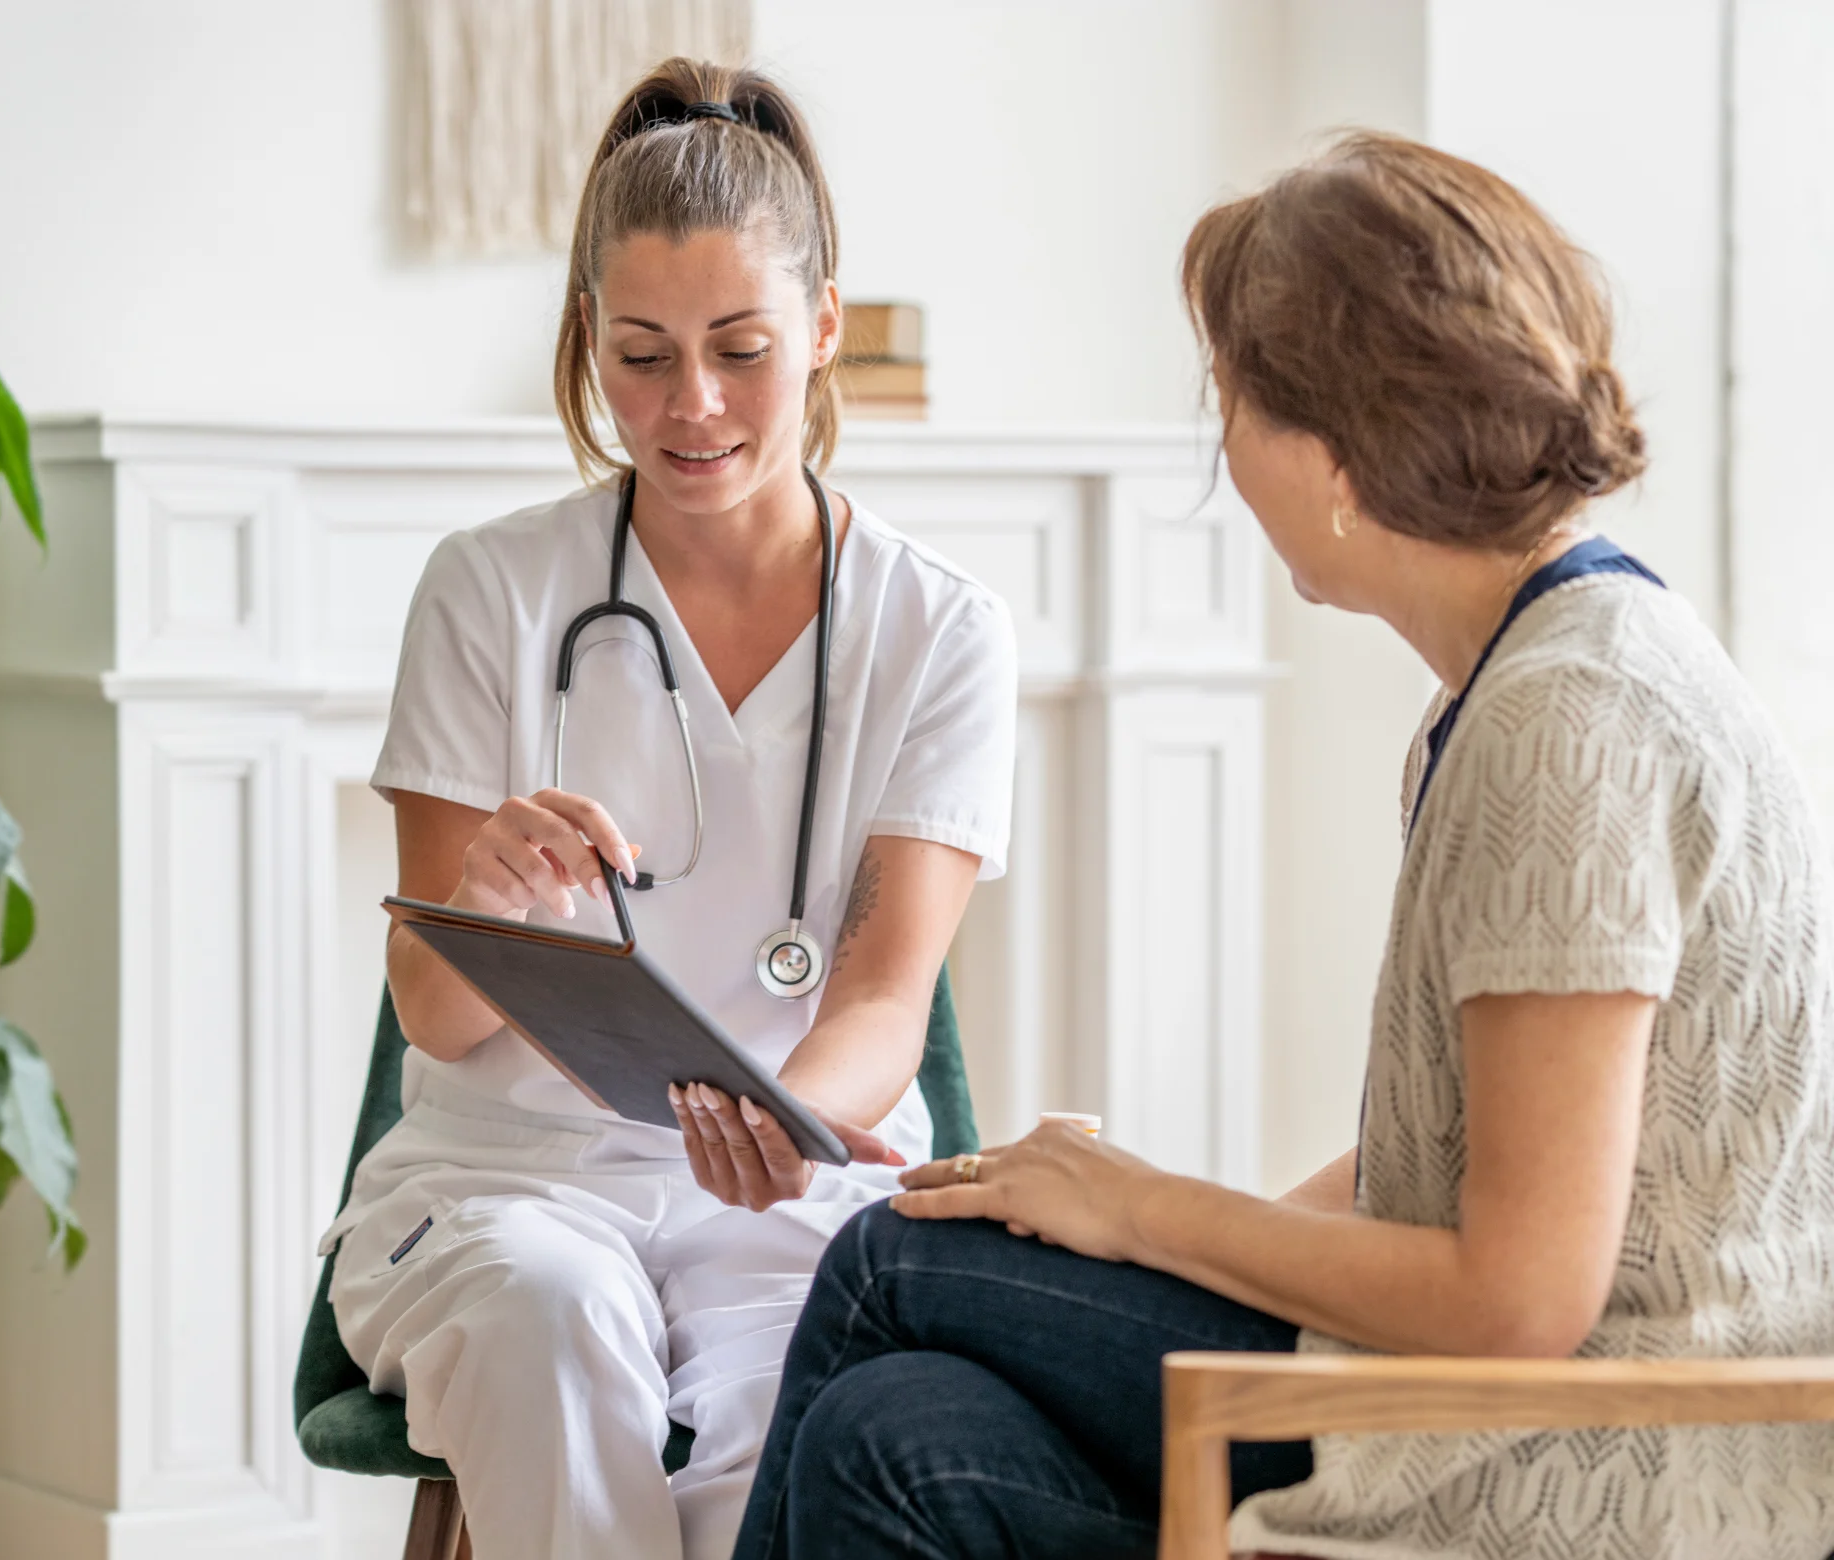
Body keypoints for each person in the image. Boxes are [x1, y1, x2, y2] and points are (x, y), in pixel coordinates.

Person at [734, 131, 1834, 1560]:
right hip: (1482, 1414)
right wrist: (1132, 1230)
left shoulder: (1573, 719)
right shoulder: (1533, 674)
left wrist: (1146, 1213)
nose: (1223, 447)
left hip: (1588, 1466)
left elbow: (1519, 1297)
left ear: (1339, 450)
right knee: (888, 1437)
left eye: (1234, 399)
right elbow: (1459, 1159)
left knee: (891, 1260)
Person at [317, 58, 1018, 1560]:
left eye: (740, 348)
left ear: (824, 328)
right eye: (639, 354)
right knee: (551, 1322)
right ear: (585, 337)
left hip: (790, 1188)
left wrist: (796, 1121)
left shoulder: (938, 630)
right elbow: (437, 1019)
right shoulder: (490, 592)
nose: (689, 407)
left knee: (800, 1406)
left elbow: (890, 999)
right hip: (510, 1184)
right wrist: (490, 892)